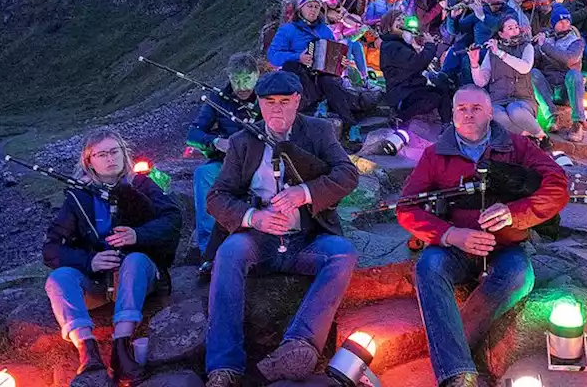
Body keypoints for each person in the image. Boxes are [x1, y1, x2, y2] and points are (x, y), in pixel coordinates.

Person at [397, 86, 568, 387]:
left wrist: (516, 212)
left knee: (519, 276)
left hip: (505, 246)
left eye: (476, 107)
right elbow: (406, 208)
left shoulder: (518, 146)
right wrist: (450, 234)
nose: (469, 113)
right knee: (428, 268)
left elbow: (558, 185)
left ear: (491, 112)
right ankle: (457, 377)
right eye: (461, 108)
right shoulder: (435, 155)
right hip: (453, 247)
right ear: (452, 113)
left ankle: (452, 349)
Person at [204, 72, 360, 386]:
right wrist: (252, 217)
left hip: (306, 238)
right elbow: (217, 198)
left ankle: (299, 345)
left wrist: (305, 193)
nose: (277, 110)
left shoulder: (317, 131)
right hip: (257, 240)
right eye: (269, 102)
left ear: (298, 101)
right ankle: (225, 366)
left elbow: (348, 174)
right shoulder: (242, 142)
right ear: (259, 104)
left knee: (343, 254)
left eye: (285, 102)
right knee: (229, 252)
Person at [43, 128, 182, 381]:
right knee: (59, 279)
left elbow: (172, 220)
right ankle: (88, 352)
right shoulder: (79, 197)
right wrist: (90, 261)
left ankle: (121, 347)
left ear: (124, 153)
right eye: (101, 154)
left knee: (136, 259)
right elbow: (51, 249)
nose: (110, 158)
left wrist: (137, 235)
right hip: (96, 284)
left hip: (139, 278)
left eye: (114, 151)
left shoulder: (143, 183)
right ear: (89, 161)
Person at [186, 53, 260, 277]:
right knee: (203, 174)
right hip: (228, 164)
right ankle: (208, 249)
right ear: (229, 76)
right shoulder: (217, 99)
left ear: (257, 76)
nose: (242, 86)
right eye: (237, 80)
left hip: (262, 161)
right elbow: (192, 134)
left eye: (247, 79)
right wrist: (216, 142)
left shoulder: (267, 94)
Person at [267, 0, 357, 128]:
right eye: (309, 6)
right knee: (292, 66)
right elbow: (273, 56)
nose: (313, 9)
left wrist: (342, 63)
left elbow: (334, 53)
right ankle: (319, 105)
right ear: (300, 8)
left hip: (324, 75)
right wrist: (298, 57)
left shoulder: (325, 30)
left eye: (316, 6)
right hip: (300, 75)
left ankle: (351, 126)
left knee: (330, 82)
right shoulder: (288, 30)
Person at [470, 14, 551, 150]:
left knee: (515, 111)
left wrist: (501, 54)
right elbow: (481, 81)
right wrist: (474, 64)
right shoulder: (492, 52)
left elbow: (525, 68)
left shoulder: (526, 47)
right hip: (498, 99)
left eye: (516, 27)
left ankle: (542, 136)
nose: (515, 30)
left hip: (522, 98)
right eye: (510, 28)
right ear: (501, 34)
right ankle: (526, 136)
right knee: (495, 115)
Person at [379, 11, 451, 123]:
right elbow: (418, 63)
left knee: (443, 91)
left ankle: (447, 125)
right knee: (433, 98)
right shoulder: (391, 46)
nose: (402, 22)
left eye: (403, 19)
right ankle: (401, 118)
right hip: (402, 93)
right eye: (398, 20)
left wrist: (416, 45)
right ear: (389, 27)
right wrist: (430, 45)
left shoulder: (398, 44)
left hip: (411, 88)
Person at [532, 5, 586, 143]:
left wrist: (544, 46)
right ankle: (551, 116)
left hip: (566, 90)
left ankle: (577, 124)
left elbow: (569, 59)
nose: (565, 24)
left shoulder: (576, 41)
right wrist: (532, 44)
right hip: (548, 88)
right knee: (533, 73)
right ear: (553, 23)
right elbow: (534, 60)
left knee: (574, 75)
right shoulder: (546, 38)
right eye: (561, 22)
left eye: (567, 21)